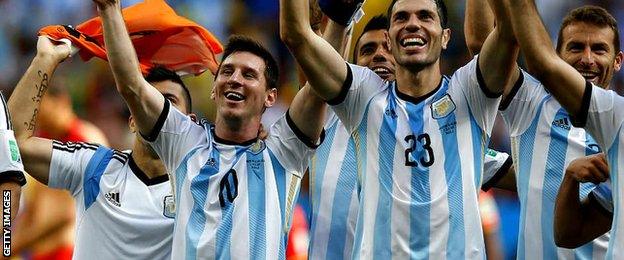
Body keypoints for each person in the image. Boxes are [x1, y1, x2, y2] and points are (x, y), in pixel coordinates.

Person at [280, 0, 518, 257]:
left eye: (425, 16)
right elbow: (297, 38)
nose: (413, 24)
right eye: (401, 18)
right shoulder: (362, 99)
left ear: (446, 36)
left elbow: (506, 33)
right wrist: (338, 17)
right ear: (391, 38)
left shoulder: (468, 96)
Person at [93, 0, 326, 258]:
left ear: (270, 97)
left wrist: (328, 25)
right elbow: (132, 86)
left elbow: (319, 89)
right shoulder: (184, 141)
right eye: (227, 71)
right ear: (214, 90)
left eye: (249, 75)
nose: (235, 79)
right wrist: (109, 9)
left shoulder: (284, 151)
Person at [8, 36, 196, 259]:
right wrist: (44, 60)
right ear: (132, 121)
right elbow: (15, 143)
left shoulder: (202, 187)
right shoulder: (95, 166)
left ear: (190, 123)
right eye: (148, 102)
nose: (156, 112)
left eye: (169, 102)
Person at [465, 1, 620, 258]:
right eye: (576, 47)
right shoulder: (531, 105)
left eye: (599, 49)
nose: (587, 59)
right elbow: (485, 49)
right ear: (557, 56)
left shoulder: (620, 124)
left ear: (618, 61)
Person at [11, 74, 109, 260]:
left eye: (39, 102)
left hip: (69, 251)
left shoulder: (83, 139)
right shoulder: (45, 139)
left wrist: (11, 247)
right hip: (40, 250)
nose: (34, 111)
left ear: (61, 101)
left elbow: (64, 215)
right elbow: (34, 207)